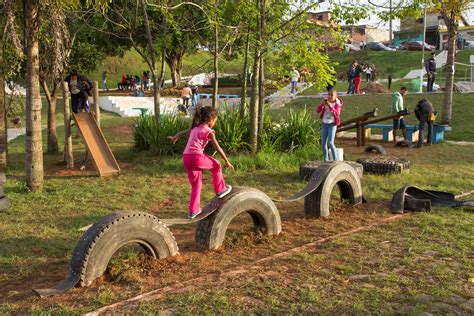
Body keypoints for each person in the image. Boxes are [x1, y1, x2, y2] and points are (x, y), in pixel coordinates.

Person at [168, 106, 234, 219]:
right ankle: (220, 190)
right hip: (196, 157)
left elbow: (182, 132)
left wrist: (175, 136)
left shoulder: (195, 127)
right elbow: (218, 148)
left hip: (186, 158)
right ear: (209, 119)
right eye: (215, 121)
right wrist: (226, 161)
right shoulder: (209, 131)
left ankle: (193, 211)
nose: (215, 123)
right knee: (217, 165)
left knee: (196, 185)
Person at [316, 89, 343, 162]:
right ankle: (326, 159)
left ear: (335, 96)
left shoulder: (337, 104)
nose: (330, 96)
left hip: (332, 124)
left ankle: (335, 159)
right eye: (329, 95)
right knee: (323, 143)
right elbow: (317, 110)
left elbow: (337, 113)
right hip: (324, 123)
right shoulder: (325, 102)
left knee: (330, 142)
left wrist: (329, 105)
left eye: (332, 95)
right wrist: (322, 104)